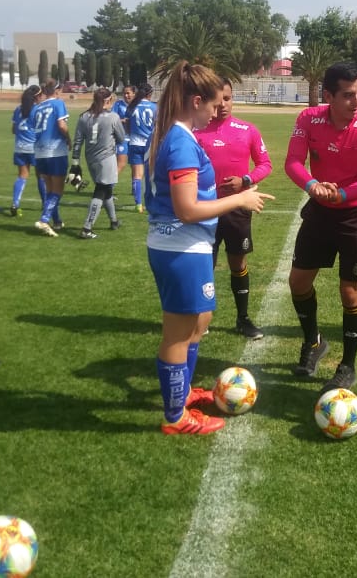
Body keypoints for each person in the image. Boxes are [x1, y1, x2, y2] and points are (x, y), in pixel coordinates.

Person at [146, 61, 273, 435]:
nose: (218, 111)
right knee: (178, 333)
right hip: (179, 248)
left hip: (190, 246)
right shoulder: (182, 141)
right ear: (196, 100)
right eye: (214, 104)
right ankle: (175, 417)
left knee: (200, 322)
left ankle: (182, 393)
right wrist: (239, 200)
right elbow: (186, 209)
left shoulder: (179, 134)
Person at [284, 62, 357, 392]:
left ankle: (347, 365)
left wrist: (340, 193)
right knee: (298, 282)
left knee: (350, 290)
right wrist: (313, 186)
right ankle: (314, 342)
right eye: (348, 95)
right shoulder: (308, 119)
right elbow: (293, 162)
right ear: (328, 95)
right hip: (320, 208)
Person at [194, 78, 273, 339]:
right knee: (206, 263)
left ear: (233, 98)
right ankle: (200, 319)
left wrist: (245, 180)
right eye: (219, 100)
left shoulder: (247, 130)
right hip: (204, 208)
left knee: (238, 262)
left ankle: (243, 318)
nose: (223, 105)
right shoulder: (196, 131)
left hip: (237, 208)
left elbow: (265, 164)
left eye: (228, 98)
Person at [71, 87, 126, 238]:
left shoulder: (84, 117)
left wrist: (75, 162)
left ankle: (114, 221)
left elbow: (77, 141)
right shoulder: (113, 117)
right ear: (107, 101)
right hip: (106, 158)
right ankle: (86, 228)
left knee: (106, 188)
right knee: (101, 190)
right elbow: (121, 138)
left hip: (91, 159)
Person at [32, 79, 70, 236]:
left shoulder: (37, 107)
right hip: (55, 151)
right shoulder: (58, 103)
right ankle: (44, 219)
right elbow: (61, 125)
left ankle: (56, 221)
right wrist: (68, 138)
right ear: (57, 90)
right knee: (58, 189)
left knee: (49, 189)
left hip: (40, 152)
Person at [10, 84, 43, 217]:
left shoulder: (18, 109)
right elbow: (41, 130)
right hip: (34, 148)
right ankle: (46, 203)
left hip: (19, 147)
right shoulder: (37, 110)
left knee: (22, 176)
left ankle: (15, 204)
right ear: (37, 97)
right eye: (41, 95)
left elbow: (13, 129)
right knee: (41, 176)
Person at [128, 85, 158, 213]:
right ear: (150, 94)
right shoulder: (154, 107)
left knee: (137, 175)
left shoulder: (132, 106)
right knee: (151, 174)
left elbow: (128, 125)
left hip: (134, 143)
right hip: (149, 144)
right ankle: (152, 202)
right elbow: (157, 127)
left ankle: (138, 205)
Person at [112, 84, 135, 178]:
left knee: (135, 165)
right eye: (124, 93)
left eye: (128, 93)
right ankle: (109, 188)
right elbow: (112, 119)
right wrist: (122, 121)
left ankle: (135, 190)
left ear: (134, 94)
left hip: (135, 139)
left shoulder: (138, 105)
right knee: (121, 164)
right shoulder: (118, 104)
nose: (126, 95)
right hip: (122, 138)